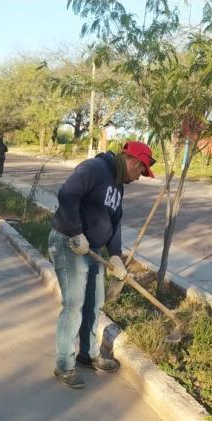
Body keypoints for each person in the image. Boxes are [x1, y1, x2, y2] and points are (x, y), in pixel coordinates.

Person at [48, 141, 156, 388]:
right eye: (141, 171)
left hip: (93, 250)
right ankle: (64, 365)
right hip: (69, 243)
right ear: (133, 162)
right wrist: (76, 232)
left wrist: (116, 254)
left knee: (95, 302)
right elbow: (67, 194)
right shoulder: (95, 168)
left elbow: (114, 221)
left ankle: (88, 354)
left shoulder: (118, 184)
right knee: (74, 305)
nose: (139, 178)